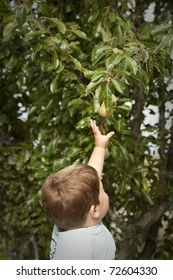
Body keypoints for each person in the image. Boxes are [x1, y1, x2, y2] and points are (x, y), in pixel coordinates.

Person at [41, 119, 116, 259]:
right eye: (103, 191)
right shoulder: (78, 247)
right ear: (94, 210)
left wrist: (99, 147)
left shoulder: (68, 218)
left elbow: (92, 178)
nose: (105, 193)